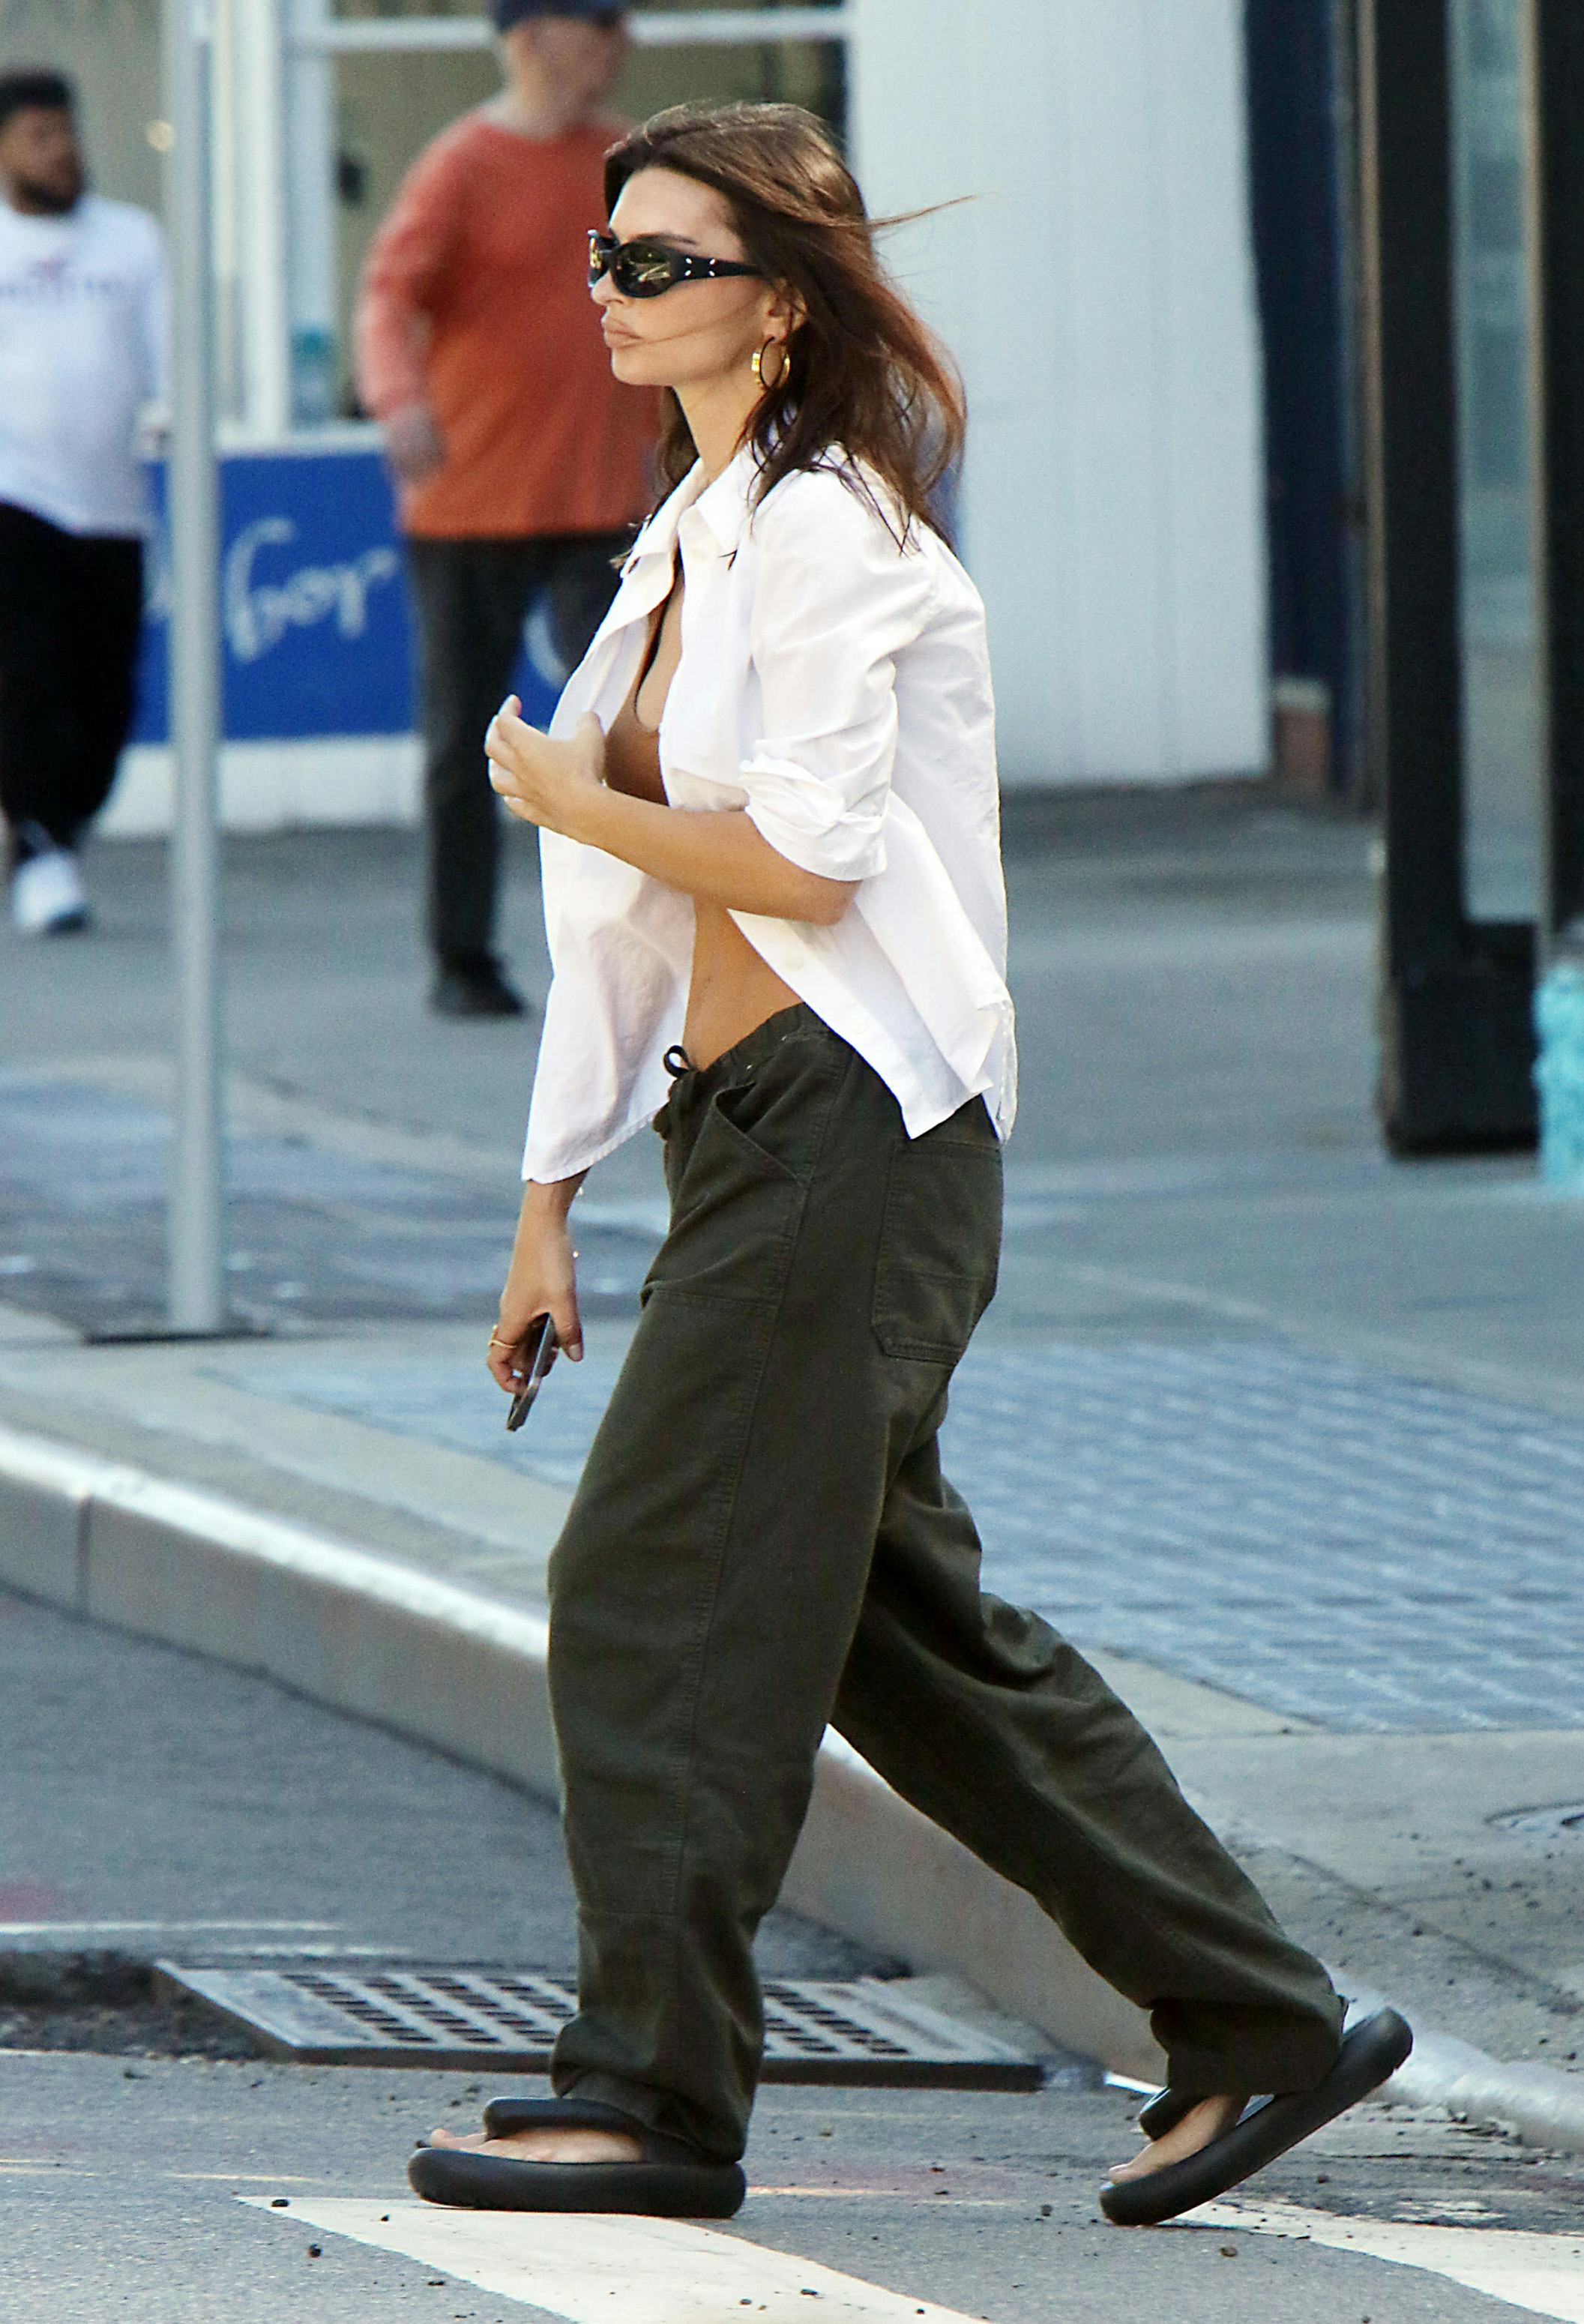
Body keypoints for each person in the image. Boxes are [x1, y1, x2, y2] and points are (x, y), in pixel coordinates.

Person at [407, 100, 1411, 2227]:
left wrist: (566, 800)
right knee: (895, 1631)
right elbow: (638, 937)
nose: (608, 285)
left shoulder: (842, 534)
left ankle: (652, 2095)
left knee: (645, 1590)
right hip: (744, 1142)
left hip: (857, 1138)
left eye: (656, 261)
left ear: (780, 297)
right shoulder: (688, 540)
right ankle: (1253, 2023)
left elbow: (793, 863)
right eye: (605, 249)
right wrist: (542, 1204)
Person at [355, 0, 655, 1020]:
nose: (619, 44)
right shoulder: (463, 164)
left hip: (601, 496)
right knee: (462, 740)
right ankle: (462, 956)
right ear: (532, 38)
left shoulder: (626, 164)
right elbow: (388, 297)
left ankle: (636, 940)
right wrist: (397, 400)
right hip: (470, 500)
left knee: (617, 723)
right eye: (598, 24)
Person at [0, 69, 164, 938]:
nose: (60, 153)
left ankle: (54, 826)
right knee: (23, 680)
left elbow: (166, 352)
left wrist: (174, 409)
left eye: (66, 135)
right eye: (38, 139)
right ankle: (38, 849)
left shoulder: (129, 241)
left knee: (104, 705)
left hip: (111, 507)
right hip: (13, 497)